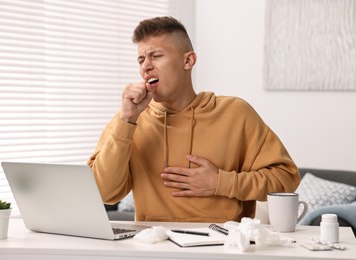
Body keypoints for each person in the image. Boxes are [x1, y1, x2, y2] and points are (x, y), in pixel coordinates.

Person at [87, 16, 300, 223]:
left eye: (156, 56)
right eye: (141, 59)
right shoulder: (130, 119)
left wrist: (220, 182)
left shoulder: (236, 113)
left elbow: (286, 180)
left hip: (223, 245)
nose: (145, 66)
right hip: (153, 245)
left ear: (188, 60)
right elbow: (104, 193)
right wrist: (126, 122)